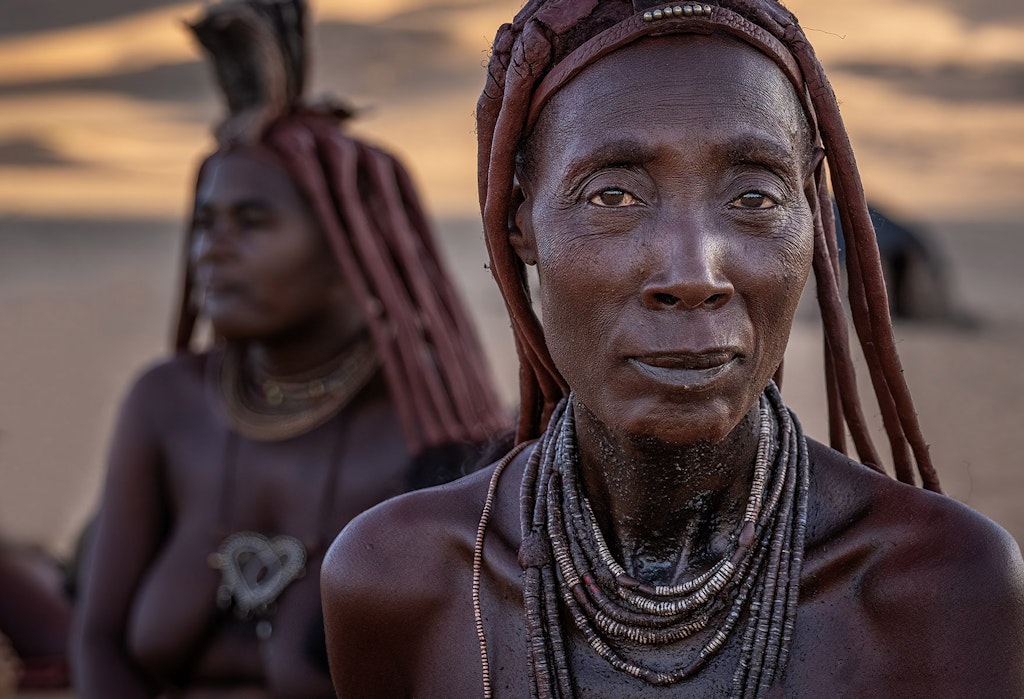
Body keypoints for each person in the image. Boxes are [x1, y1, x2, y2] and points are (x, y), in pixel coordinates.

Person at [321, 1, 1024, 697]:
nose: (694, 272)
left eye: (754, 197)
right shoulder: (402, 580)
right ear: (519, 221)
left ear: (813, 219)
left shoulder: (937, 586)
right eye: (614, 195)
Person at [71, 0, 507, 696]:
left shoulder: (439, 446)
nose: (211, 248)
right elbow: (97, 642)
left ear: (351, 249)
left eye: (252, 220)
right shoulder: (168, 405)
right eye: (205, 221)